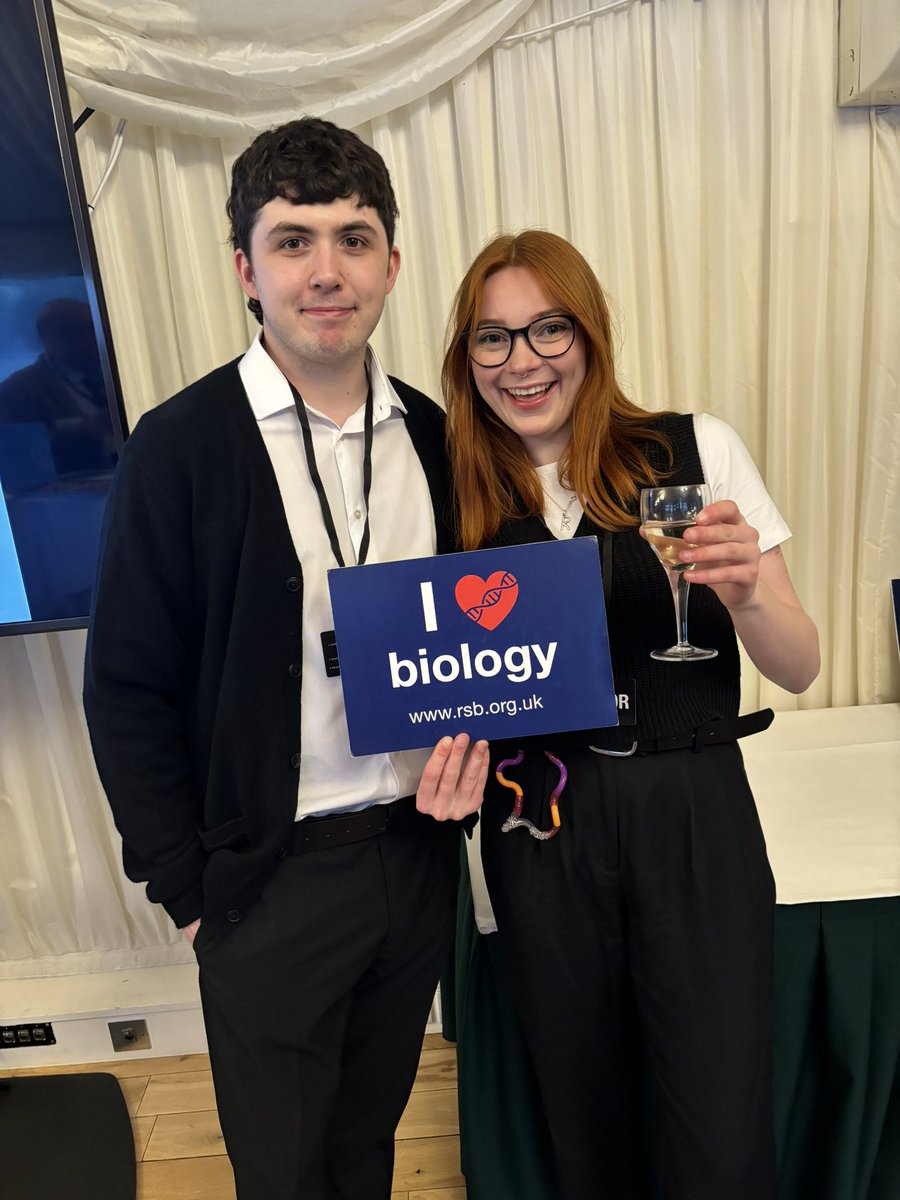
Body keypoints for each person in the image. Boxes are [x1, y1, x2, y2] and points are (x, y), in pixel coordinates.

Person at [83, 117, 487, 1200]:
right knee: (280, 1167)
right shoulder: (181, 446)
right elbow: (125, 687)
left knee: (368, 1144)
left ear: (391, 266)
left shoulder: (439, 437)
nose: (326, 270)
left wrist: (479, 740)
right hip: (264, 878)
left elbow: (480, 640)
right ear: (245, 271)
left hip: (412, 858)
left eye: (353, 239)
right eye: (293, 240)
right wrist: (190, 888)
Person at [441, 230, 820, 1200]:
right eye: (493, 338)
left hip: (694, 809)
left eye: (547, 329)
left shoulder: (695, 448)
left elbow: (801, 663)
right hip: (539, 825)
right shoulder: (455, 495)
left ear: (591, 332)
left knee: (719, 1119)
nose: (523, 362)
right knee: (585, 1121)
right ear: (466, 356)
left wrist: (746, 597)